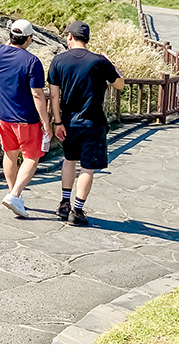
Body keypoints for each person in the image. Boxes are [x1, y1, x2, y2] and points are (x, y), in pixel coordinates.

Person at [48, 20, 125, 226]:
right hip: (93, 122)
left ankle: (64, 203)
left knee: (69, 159)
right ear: (87, 38)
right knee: (87, 168)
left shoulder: (58, 61)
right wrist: (112, 64)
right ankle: (78, 210)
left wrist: (57, 122)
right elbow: (120, 84)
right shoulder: (99, 61)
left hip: (68, 122)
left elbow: (54, 96)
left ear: (70, 37)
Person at [0, 19, 51, 218]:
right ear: (30, 38)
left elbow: (6, 46)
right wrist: (45, 121)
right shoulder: (32, 62)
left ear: (10, 36)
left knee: (10, 153)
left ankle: (12, 192)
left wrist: (12, 38)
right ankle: (15, 195)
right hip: (25, 117)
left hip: (2, 114)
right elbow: (37, 94)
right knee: (31, 157)